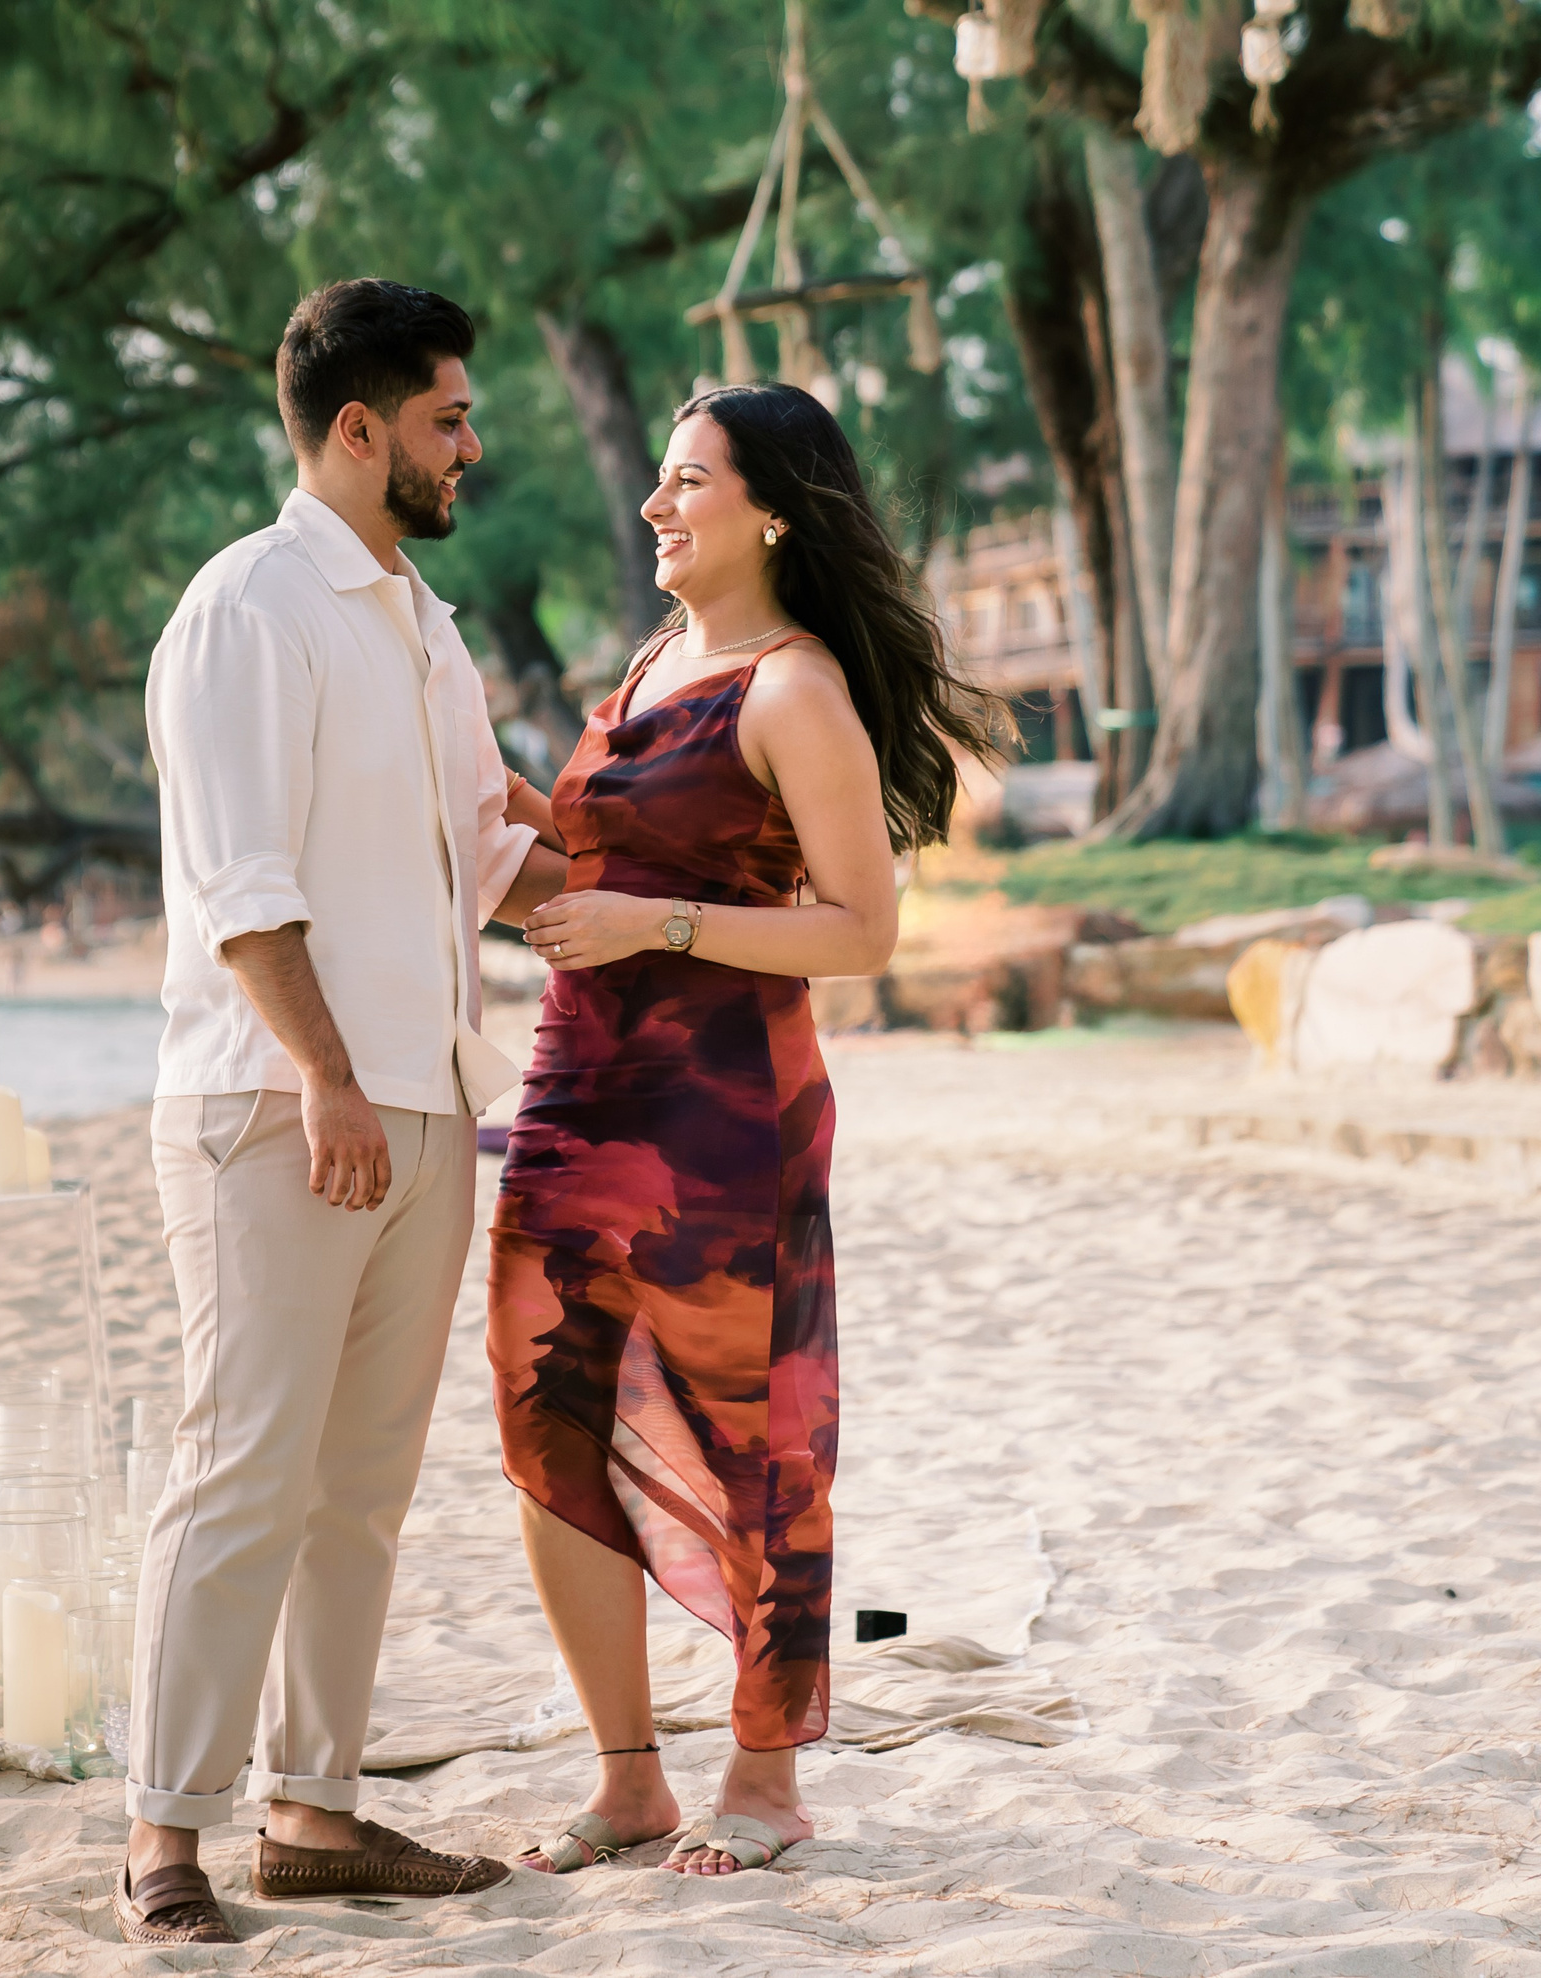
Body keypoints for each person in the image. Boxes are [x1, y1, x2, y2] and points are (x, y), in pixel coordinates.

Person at [488, 382, 1001, 1879]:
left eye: (689, 480)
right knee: (543, 1414)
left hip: (723, 1114)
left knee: (750, 1438)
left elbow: (860, 932)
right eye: (659, 478)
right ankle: (628, 1778)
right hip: (575, 1088)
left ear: (772, 511)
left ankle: (764, 1779)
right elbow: (610, 855)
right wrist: (481, 800)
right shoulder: (655, 659)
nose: (657, 504)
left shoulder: (794, 690)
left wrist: (653, 922)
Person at [119, 278, 570, 1946]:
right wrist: (323, 1076)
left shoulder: (424, 624)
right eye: (451, 417)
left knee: (360, 1483)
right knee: (243, 1465)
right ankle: (162, 1835)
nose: (472, 445)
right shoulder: (250, 606)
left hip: (429, 1102)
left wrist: (696, 892)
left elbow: (491, 851)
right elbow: (241, 885)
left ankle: (309, 1813)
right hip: (276, 1101)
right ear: (362, 430)